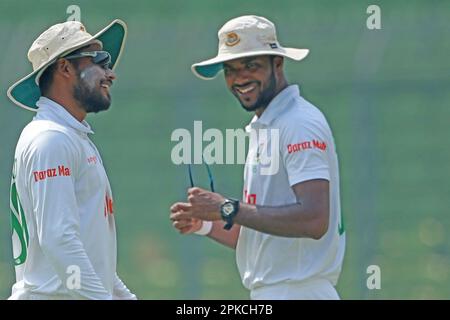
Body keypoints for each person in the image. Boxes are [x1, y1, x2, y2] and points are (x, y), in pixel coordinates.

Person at [170, 15, 345, 299]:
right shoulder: (269, 126)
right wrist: (204, 223)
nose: (239, 78)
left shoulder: (298, 123)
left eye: (251, 65)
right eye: (230, 69)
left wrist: (227, 208)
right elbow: (260, 231)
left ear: (278, 63)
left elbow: (314, 219)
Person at [7, 19, 136, 300]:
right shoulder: (52, 139)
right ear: (65, 67)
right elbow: (59, 240)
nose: (110, 74)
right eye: (100, 61)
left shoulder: (71, 138)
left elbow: (91, 255)